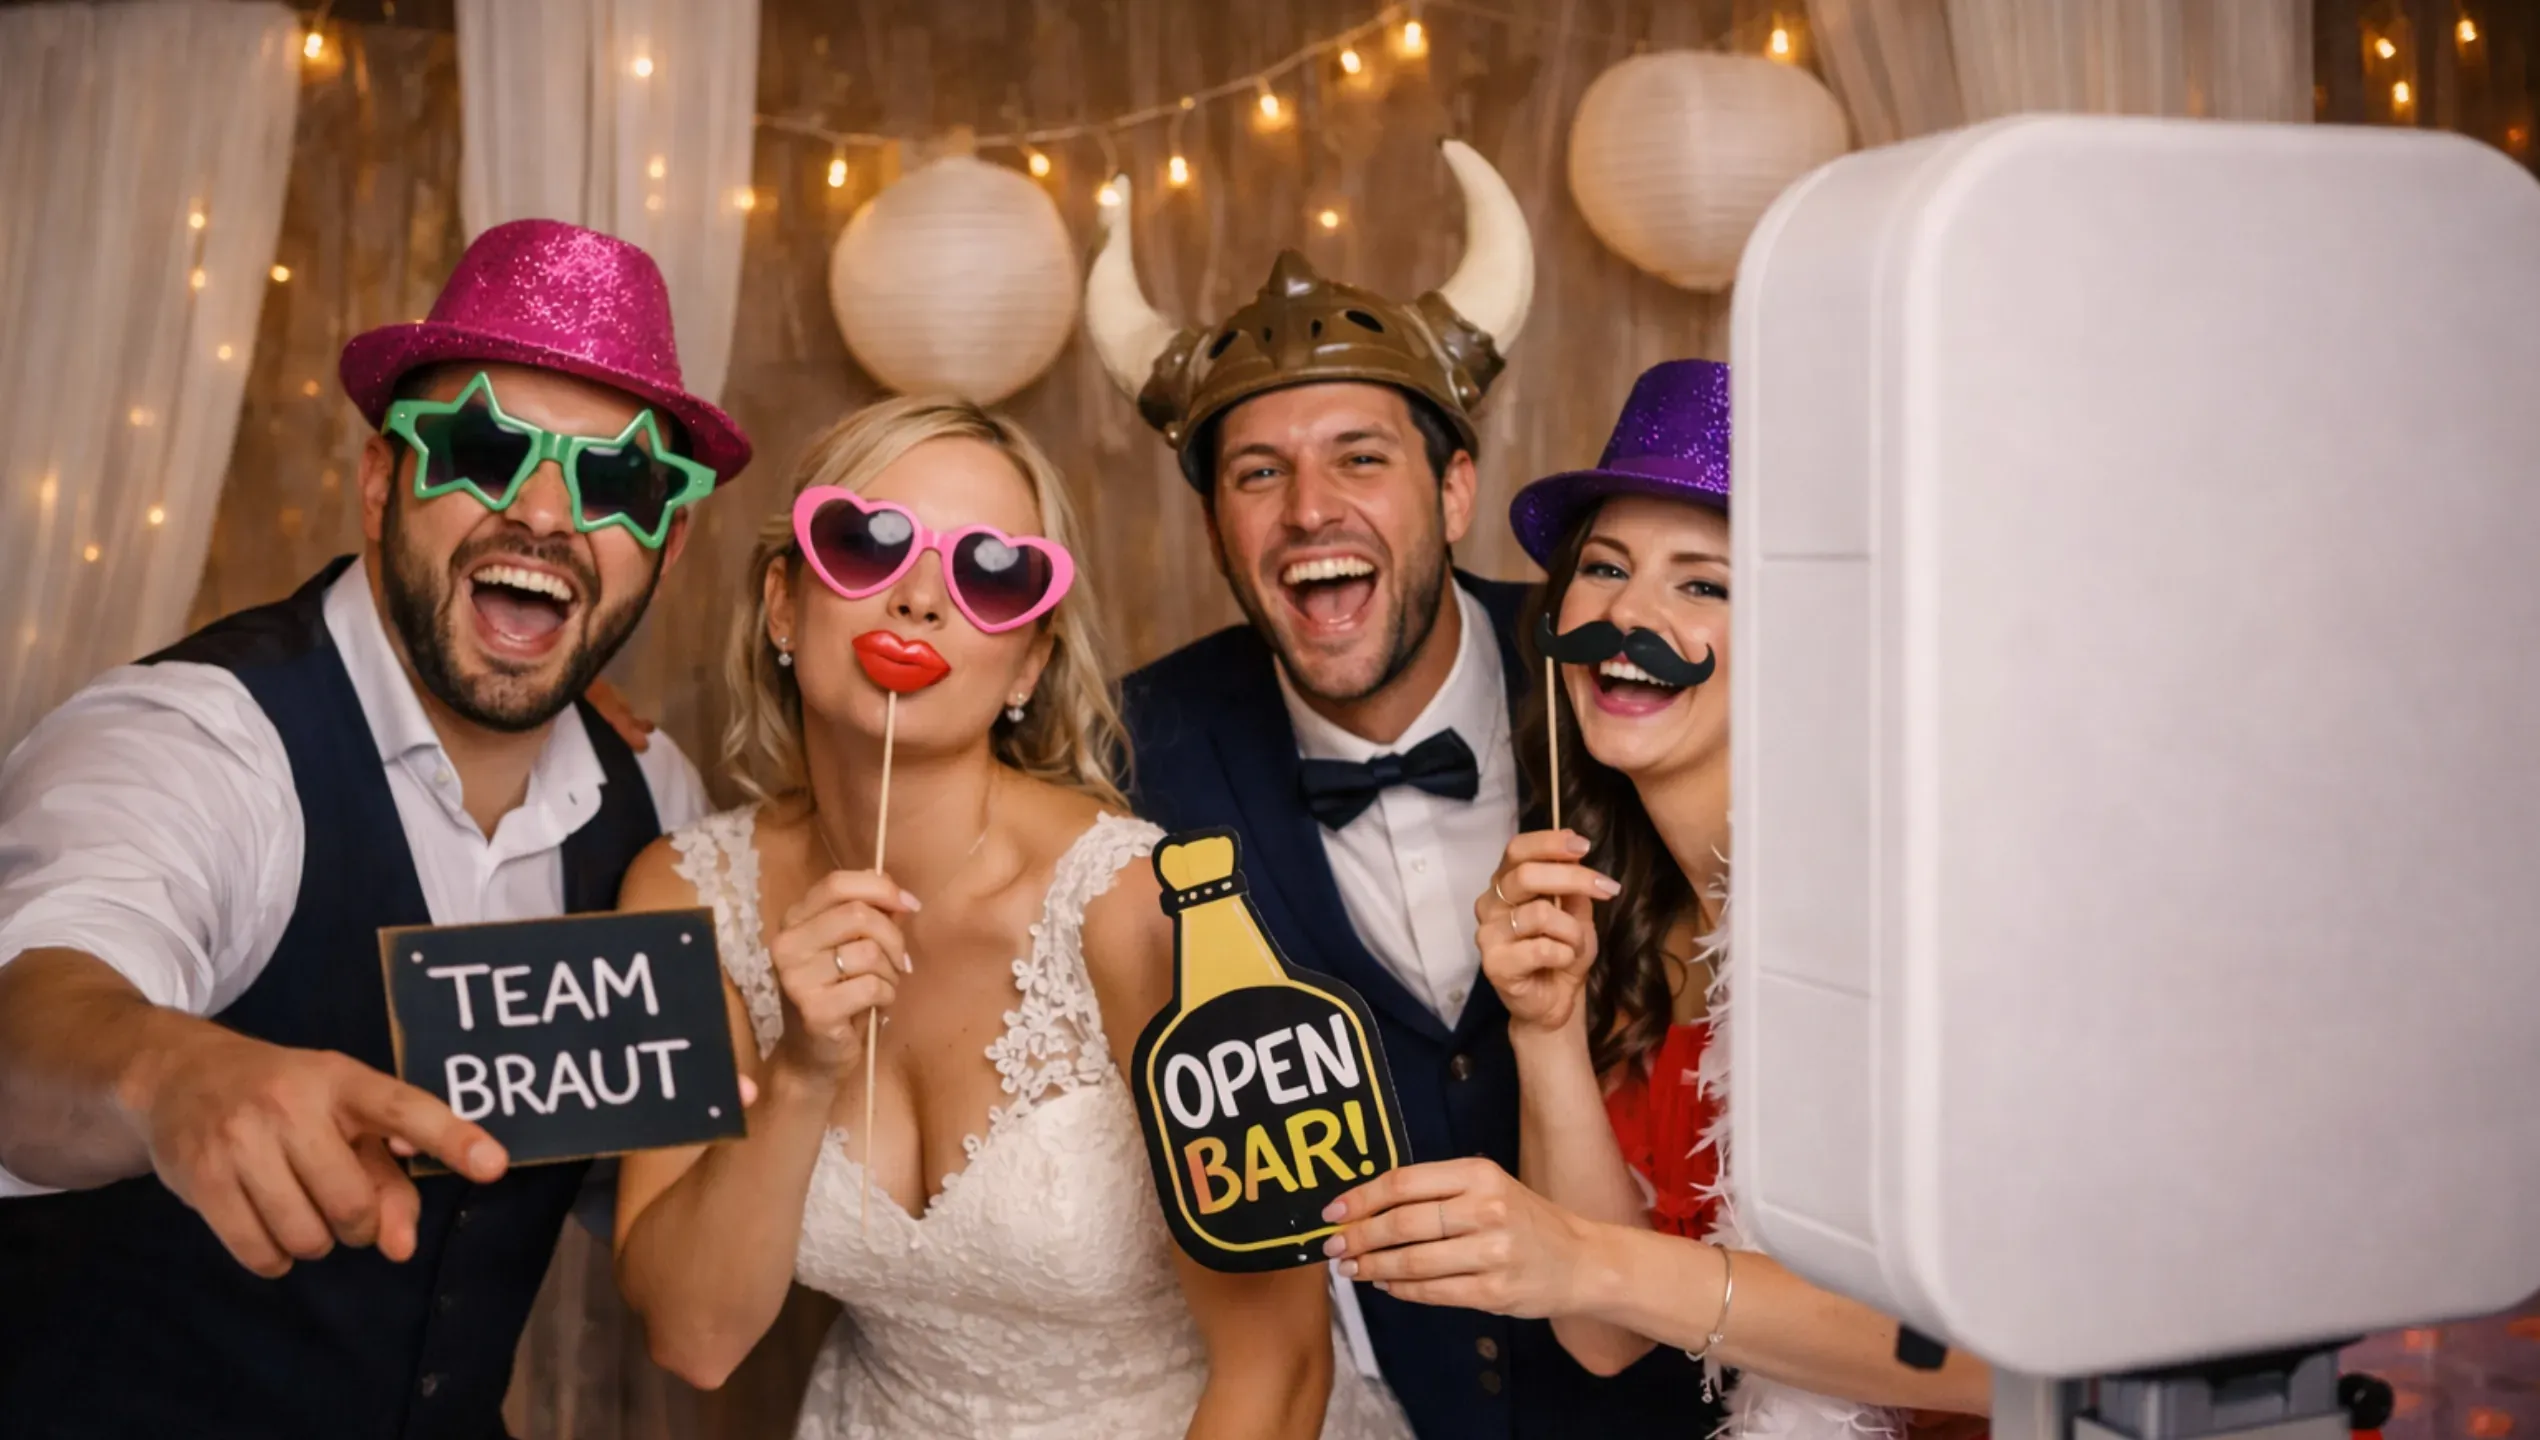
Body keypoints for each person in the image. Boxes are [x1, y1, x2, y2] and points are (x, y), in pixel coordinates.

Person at [0, 219, 738, 1437]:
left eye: (617, 482)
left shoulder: (658, 807)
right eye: (486, 450)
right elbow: (33, 1004)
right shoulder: (195, 742)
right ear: (382, 476)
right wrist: (162, 1071)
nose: (545, 517)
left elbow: (652, 1196)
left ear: (666, 541)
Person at [609, 395, 1410, 1440]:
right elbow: (694, 1338)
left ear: (1030, 662)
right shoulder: (678, 894)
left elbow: (1283, 1369)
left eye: (991, 573)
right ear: (782, 604)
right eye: (865, 543)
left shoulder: (1148, 913)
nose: (918, 602)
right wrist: (802, 1070)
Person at [1092, 142, 1708, 1439]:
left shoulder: (1617, 677)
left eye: (1361, 458)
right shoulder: (1131, 747)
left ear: (1456, 487)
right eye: (1257, 474)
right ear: (1216, 528)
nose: (1310, 510)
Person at [1319, 361, 1994, 1439]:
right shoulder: (1638, 913)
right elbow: (1602, 1331)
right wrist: (1543, 1029)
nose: (1625, 614)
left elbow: (1999, 1357)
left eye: (1702, 583)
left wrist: (1578, 1254)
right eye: (1603, 567)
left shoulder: (1897, 920)